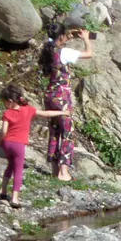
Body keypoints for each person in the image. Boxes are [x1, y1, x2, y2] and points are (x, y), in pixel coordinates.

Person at [0, 84, 69, 208]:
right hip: (19, 145)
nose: (4, 105)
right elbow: (46, 114)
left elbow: (4, 131)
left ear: (9, 101)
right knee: (18, 170)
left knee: (10, 165)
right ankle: (14, 198)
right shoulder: (28, 109)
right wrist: (63, 112)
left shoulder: (7, 113)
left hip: (7, 143)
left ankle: (3, 190)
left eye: (4, 102)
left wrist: (0, 141)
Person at [40, 22, 93, 181]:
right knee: (67, 132)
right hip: (62, 96)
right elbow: (89, 54)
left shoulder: (47, 50)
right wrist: (86, 39)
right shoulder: (64, 52)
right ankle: (64, 173)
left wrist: (67, 35)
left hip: (49, 94)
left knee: (54, 130)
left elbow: (54, 42)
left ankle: (54, 170)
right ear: (62, 36)